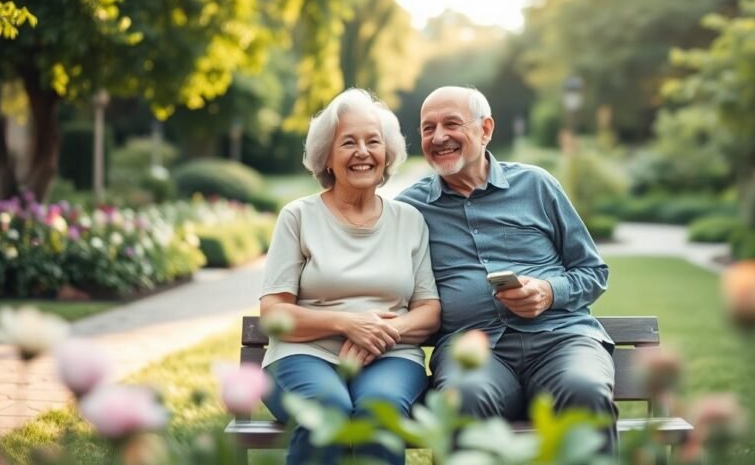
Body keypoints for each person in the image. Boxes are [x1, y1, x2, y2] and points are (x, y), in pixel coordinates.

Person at [397, 85, 618, 454]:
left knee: (585, 391)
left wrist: (548, 293)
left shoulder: (537, 185)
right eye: (427, 128)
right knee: (462, 400)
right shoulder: (409, 209)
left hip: (561, 340)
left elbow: (593, 271)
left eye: (452, 124)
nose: (438, 137)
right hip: (473, 350)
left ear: (485, 130)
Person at [259, 88, 441, 465]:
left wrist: (377, 334)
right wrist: (348, 324)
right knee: (326, 412)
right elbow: (274, 315)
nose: (362, 152)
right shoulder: (298, 217)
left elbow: (428, 310)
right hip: (304, 354)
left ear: (387, 154)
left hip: (392, 356)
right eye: (348, 143)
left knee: (381, 412)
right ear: (326, 156)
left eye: (373, 141)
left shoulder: (410, 221)